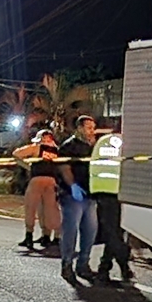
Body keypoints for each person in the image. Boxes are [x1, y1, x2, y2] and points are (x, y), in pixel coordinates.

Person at [56, 113, 99, 284]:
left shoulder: (94, 147)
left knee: (90, 231)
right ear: (79, 128)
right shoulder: (69, 146)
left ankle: (83, 264)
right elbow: (64, 167)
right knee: (71, 230)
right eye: (88, 128)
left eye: (93, 128)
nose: (91, 131)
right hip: (72, 194)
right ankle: (67, 264)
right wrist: (72, 185)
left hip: (90, 195)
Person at [89, 121, 133, 283]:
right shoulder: (127, 143)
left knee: (113, 231)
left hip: (102, 190)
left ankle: (105, 269)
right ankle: (123, 262)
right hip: (118, 191)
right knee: (115, 233)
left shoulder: (102, 141)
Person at [12, 128, 61, 250]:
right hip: (51, 181)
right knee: (49, 209)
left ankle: (29, 236)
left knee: (31, 207)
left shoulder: (36, 148)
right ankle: (47, 236)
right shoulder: (57, 150)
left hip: (37, 180)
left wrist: (27, 165)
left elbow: (16, 154)